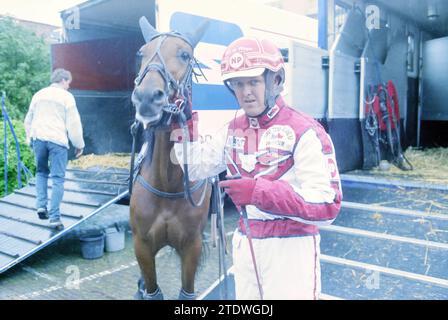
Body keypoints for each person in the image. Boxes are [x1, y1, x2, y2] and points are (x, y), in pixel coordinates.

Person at [172, 37, 342, 299]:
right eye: (238, 84)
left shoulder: (306, 130)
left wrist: (258, 192)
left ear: (275, 81)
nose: (245, 92)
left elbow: (328, 206)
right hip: (245, 242)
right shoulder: (233, 128)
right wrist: (184, 129)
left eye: (254, 81)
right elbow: (195, 168)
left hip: (291, 249)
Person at [24, 68, 84, 229]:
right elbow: (74, 124)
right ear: (63, 80)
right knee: (58, 178)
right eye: (68, 83)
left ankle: (41, 206)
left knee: (41, 172)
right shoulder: (67, 97)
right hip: (57, 141)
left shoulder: (39, 94)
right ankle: (55, 218)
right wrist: (79, 145)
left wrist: (29, 138)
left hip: (39, 139)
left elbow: (28, 119)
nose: (69, 86)